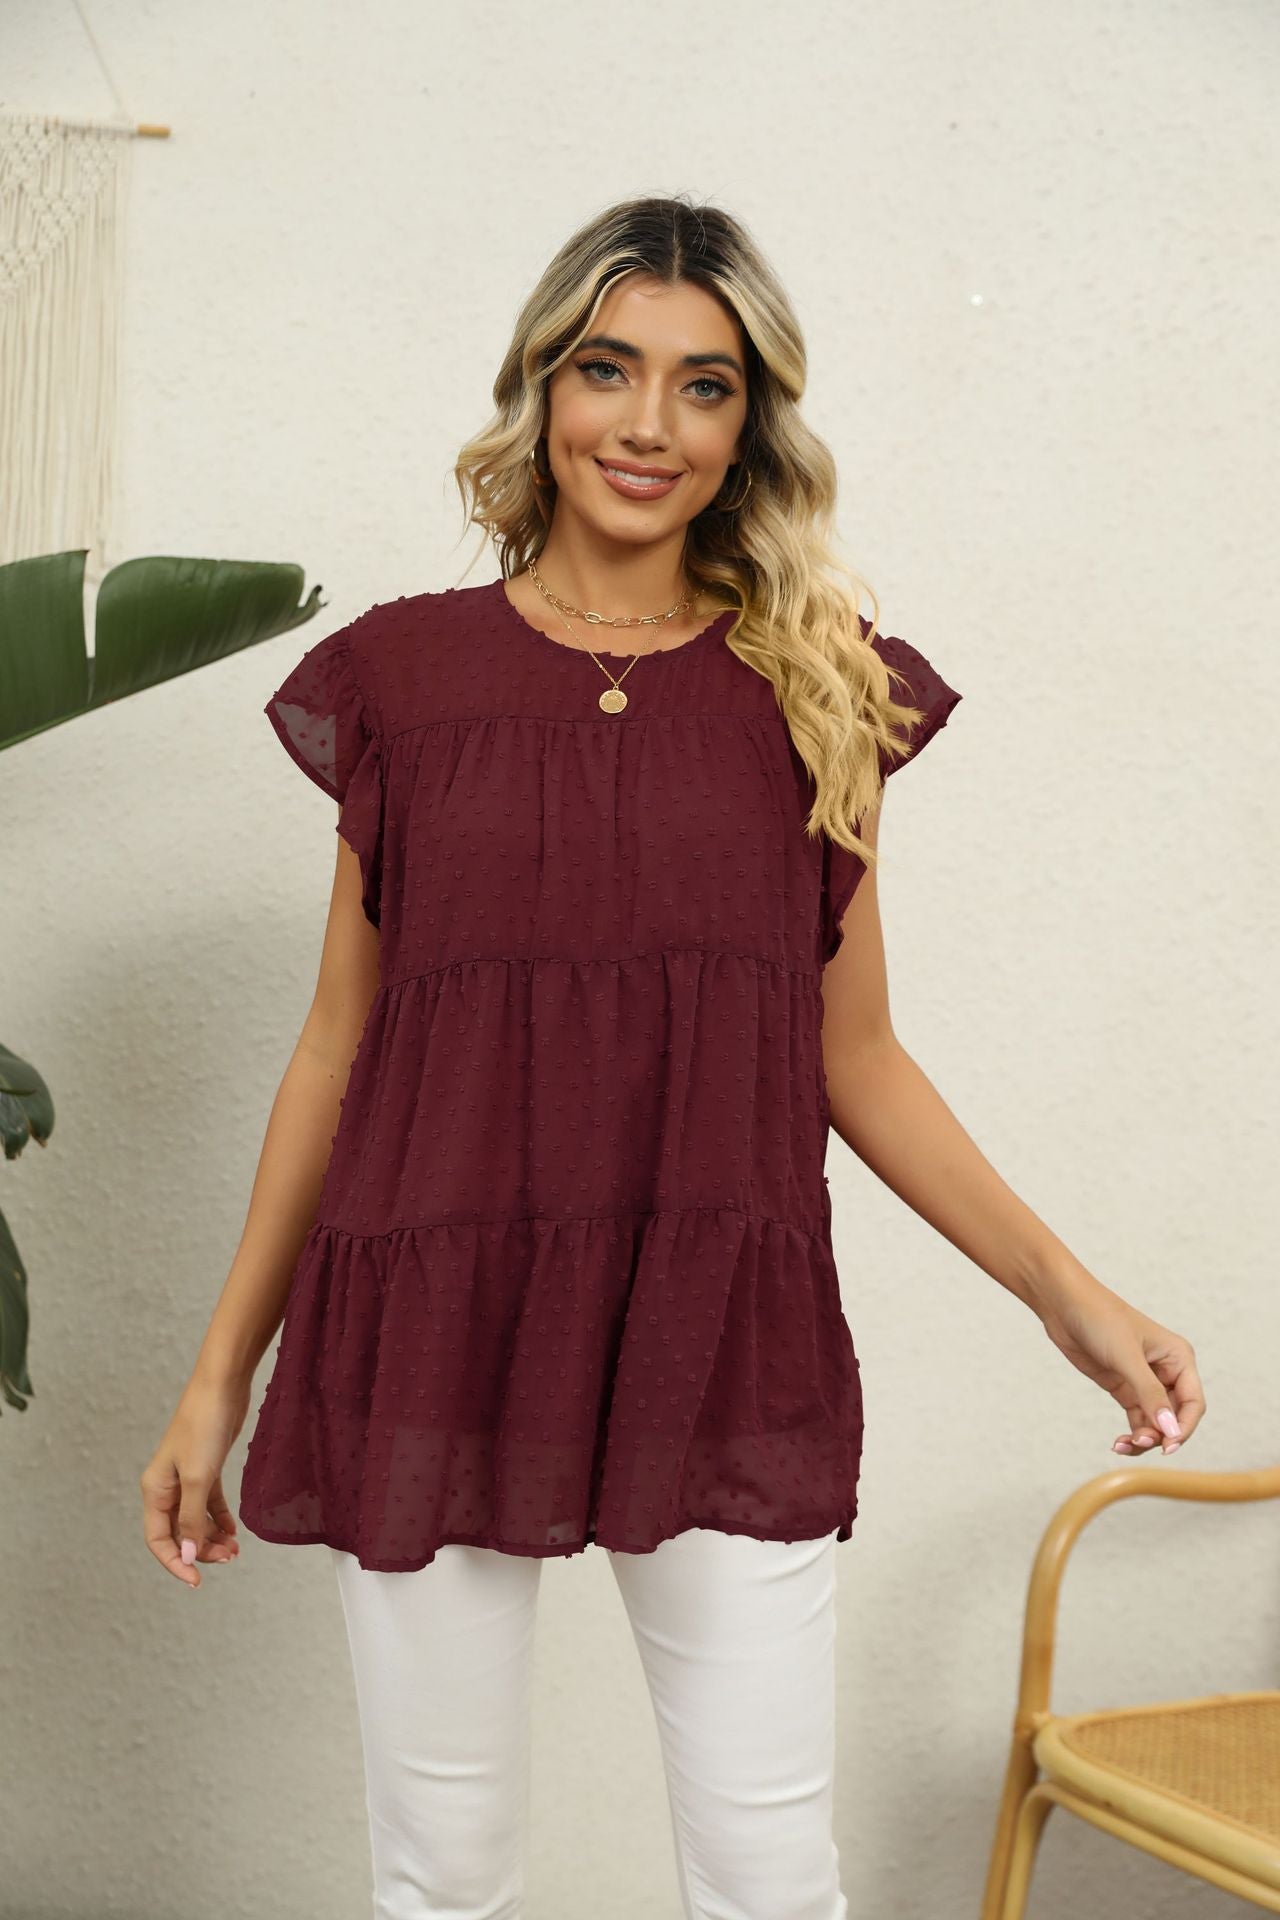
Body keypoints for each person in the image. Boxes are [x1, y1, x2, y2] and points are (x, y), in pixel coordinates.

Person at [141, 193, 1205, 1919]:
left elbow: (856, 1056)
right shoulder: (403, 679)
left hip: (720, 1327)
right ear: (541, 389)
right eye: (607, 370)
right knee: (443, 1877)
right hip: (435, 1309)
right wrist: (217, 1377)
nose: (648, 425)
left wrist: (1065, 1297)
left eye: (704, 386)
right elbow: (339, 1051)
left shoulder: (821, 689)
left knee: (771, 1878)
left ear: (749, 426)